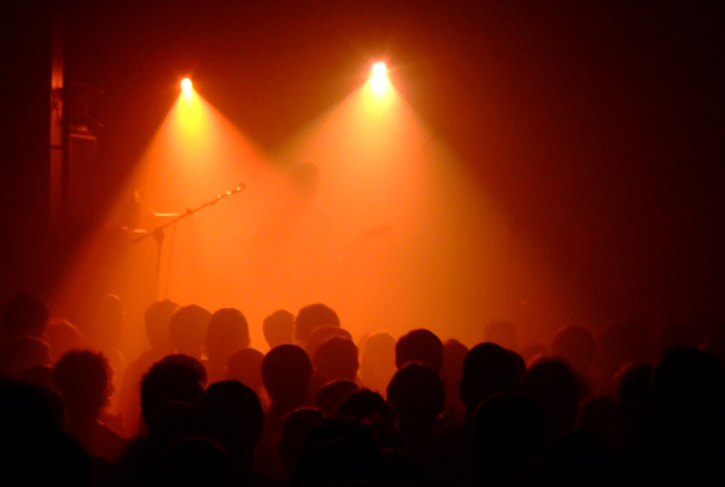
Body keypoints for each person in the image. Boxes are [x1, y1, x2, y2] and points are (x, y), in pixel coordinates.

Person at [53, 350, 125, 461]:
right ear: (96, 388)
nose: (113, 389)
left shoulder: (47, 437)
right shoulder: (112, 443)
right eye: (108, 382)